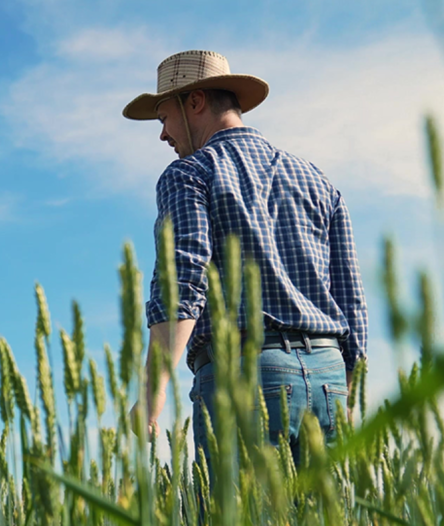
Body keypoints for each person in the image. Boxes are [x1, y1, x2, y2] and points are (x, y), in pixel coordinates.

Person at [124, 50, 367, 460]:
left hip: (245, 374)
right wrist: (349, 393)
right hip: (329, 378)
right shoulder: (317, 179)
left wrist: (152, 391)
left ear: (195, 102)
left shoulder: (190, 173)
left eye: (164, 117)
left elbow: (183, 277)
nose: (163, 134)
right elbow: (350, 296)